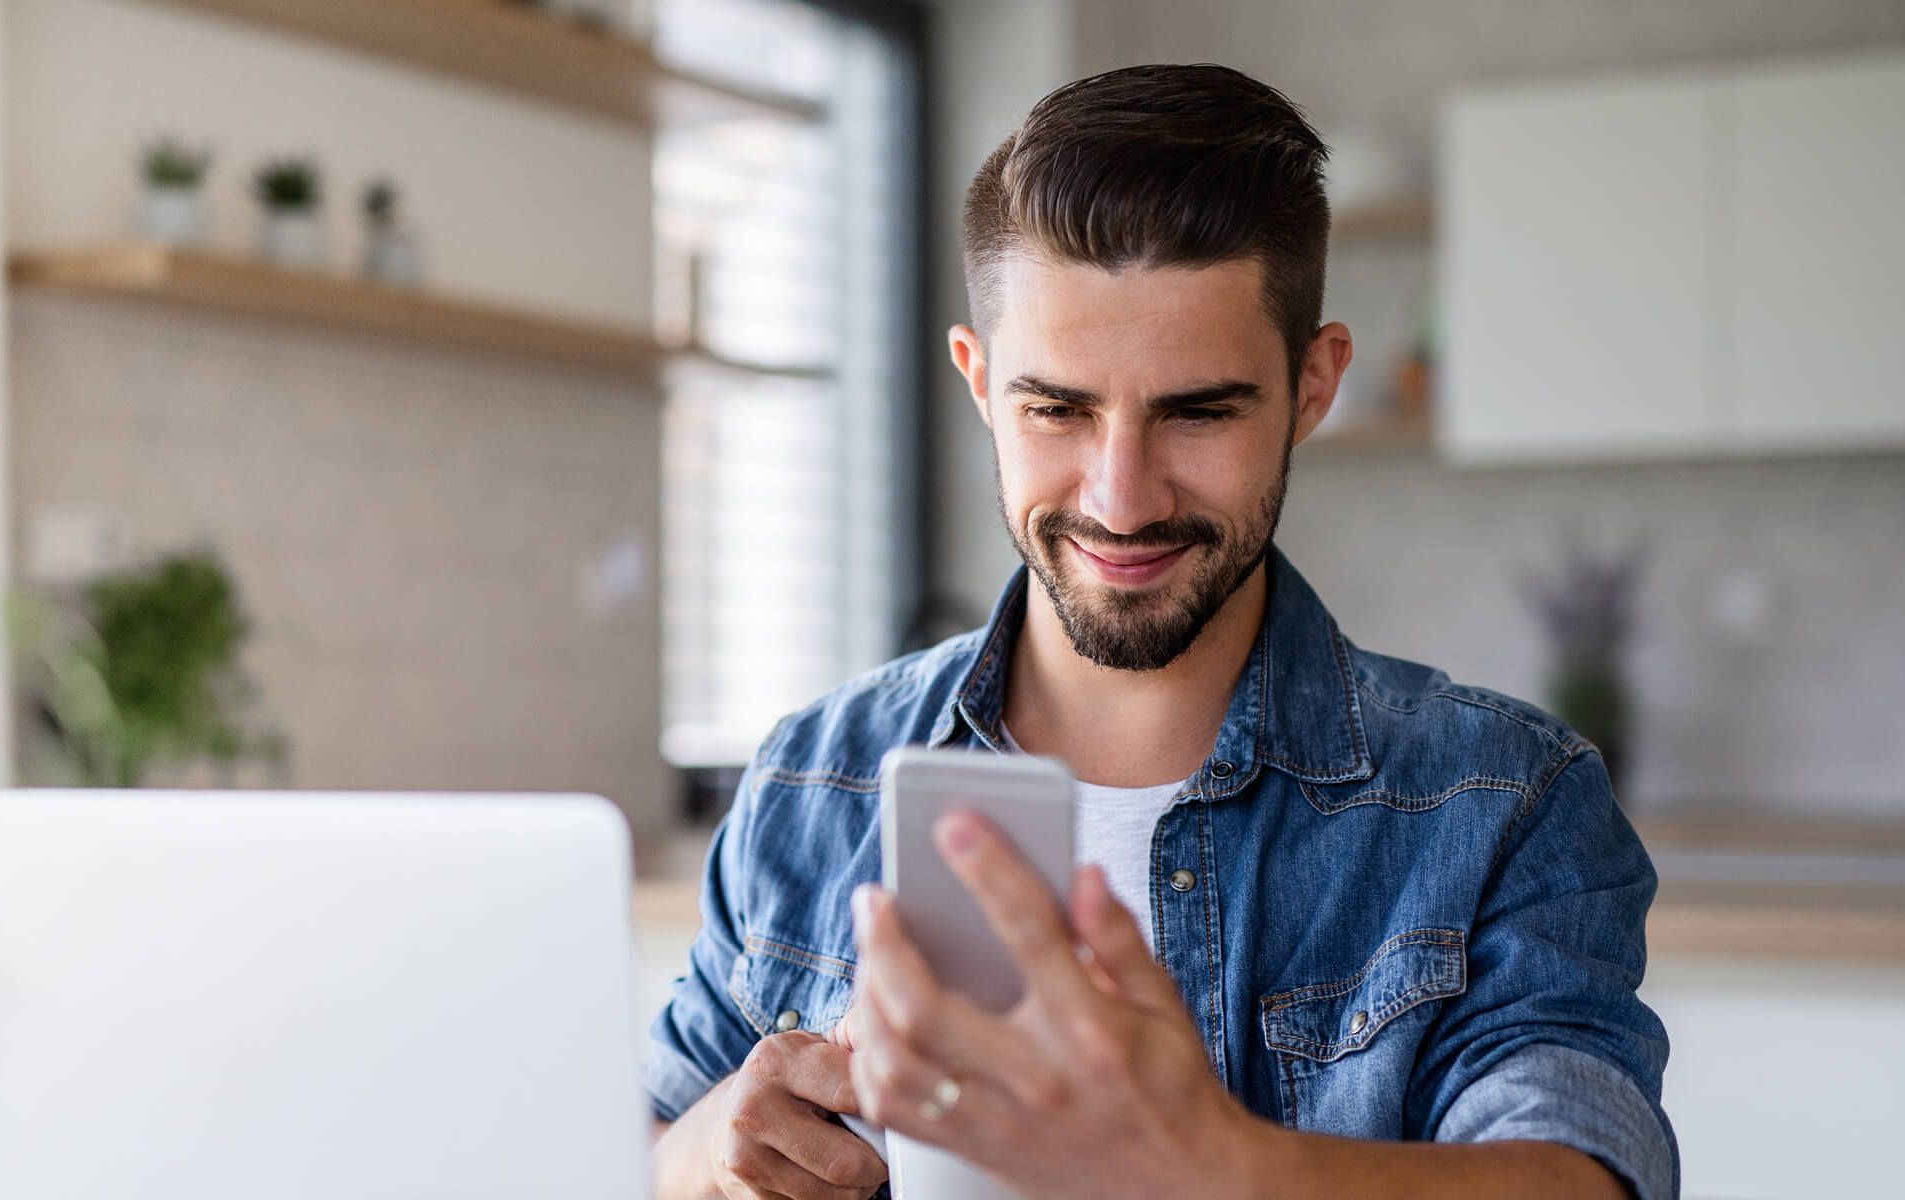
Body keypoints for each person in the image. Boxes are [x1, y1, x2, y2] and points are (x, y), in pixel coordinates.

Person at [644, 63, 1676, 1200]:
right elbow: (641, 1142)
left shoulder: (1501, 803)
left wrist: (1212, 1167)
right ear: (979, 383)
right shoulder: (811, 777)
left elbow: (1582, 1173)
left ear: (1314, 382)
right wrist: (707, 1151)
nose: (1121, 498)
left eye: (1198, 411)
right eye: (1058, 409)